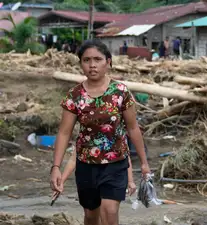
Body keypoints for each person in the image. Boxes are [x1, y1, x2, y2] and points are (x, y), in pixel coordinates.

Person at [50, 39, 150, 225]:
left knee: (110, 212)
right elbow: (64, 133)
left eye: (98, 59)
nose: (92, 65)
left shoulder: (120, 92)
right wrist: (56, 167)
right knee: (90, 215)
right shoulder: (74, 96)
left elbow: (133, 128)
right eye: (86, 60)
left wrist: (144, 163)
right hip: (86, 164)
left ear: (108, 62)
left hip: (116, 163)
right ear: (81, 64)